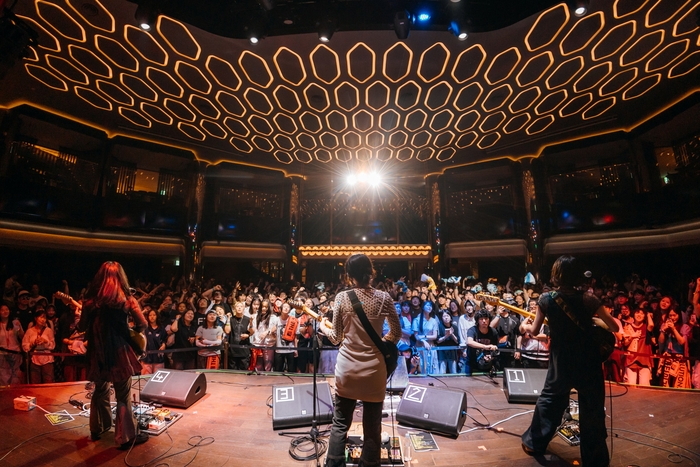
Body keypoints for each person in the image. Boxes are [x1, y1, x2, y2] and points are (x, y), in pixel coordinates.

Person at [521, 255, 618, 466]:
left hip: (561, 360)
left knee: (550, 401)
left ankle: (534, 443)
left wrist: (524, 326)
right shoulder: (590, 300)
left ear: (556, 275)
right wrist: (592, 319)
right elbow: (614, 327)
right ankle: (595, 460)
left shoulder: (546, 299)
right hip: (588, 361)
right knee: (592, 408)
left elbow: (534, 330)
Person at [319, 254, 401, 467]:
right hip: (374, 372)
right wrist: (380, 344)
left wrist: (323, 327)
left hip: (347, 370)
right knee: (372, 428)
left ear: (349, 276)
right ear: (371, 272)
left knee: (340, 424)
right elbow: (396, 333)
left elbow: (336, 337)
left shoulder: (342, 298)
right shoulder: (384, 298)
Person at [78, 261, 149, 449]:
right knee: (123, 395)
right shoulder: (127, 300)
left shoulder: (90, 302)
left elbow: (81, 326)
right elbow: (143, 324)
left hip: (98, 353)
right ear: (120, 277)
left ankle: (98, 428)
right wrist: (130, 332)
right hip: (119, 353)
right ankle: (125, 438)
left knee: (100, 390)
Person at [21, 308, 55, 383]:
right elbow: (24, 345)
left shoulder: (48, 330)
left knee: (48, 381)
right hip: (34, 359)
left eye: (44, 318)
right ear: (36, 318)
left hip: (47, 359)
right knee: (35, 381)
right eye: (41, 317)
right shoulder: (30, 331)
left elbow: (53, 345)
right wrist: (33, 343)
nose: (43, 320)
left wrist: (45, 341)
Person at [0, 304, 24, 386]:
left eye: (6, 309)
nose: (5, 311)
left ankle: (15, 392)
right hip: (2, 353)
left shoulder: (14, 323)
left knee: (16, 375)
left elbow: (21, 336)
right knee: (3, 374)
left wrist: (19, 328)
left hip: (15, 352)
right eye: (2, 310)